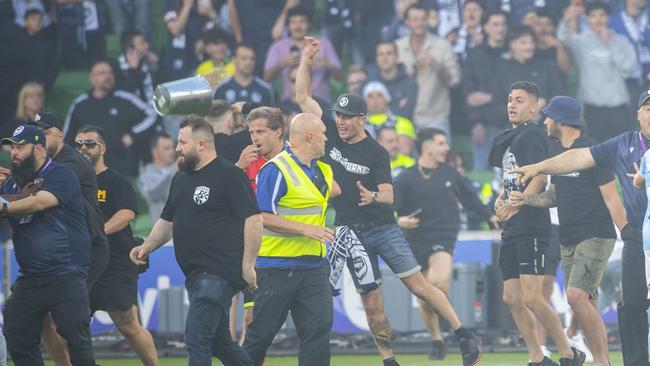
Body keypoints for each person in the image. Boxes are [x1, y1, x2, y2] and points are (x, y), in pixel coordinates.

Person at [295, 36, 481, 366]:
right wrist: (306, 59)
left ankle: (463, 334)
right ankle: (389, 360)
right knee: (372, 303)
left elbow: (390, 194)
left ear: (362, 119)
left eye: (347, 117)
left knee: (419, 286)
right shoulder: (330, 131)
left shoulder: (376, 152)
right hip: (349, 232)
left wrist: (374, 195)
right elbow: (302, 97)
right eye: (338, 115)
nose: (339, 121)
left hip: (382, 227)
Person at [514, 89, 650, 366]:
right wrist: (538, 168)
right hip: (636, 237)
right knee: (631, 305)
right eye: (648, 108)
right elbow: (576, 159)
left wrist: (623, 226)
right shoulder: (622, 145)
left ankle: (599, 358)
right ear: (638, 114)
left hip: (601, 232)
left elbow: (611, 196)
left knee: (580, 296)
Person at [130, 115, 263, 366]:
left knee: (196, 338)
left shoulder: (229, 174)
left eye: (182, 142)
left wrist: (248, 266)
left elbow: (254, 220)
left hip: (218, 273)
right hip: (195, 276)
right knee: (219, 342)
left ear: (201, 144)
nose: (178, 148)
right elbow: (167, 220)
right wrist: (147, 246)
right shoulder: (181, 178)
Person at [489, 82, 585, 366]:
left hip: (532, 225)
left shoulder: (532, 135)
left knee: (532, 298)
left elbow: (540, 177)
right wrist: (500, 199)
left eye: (519, 100)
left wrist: (516, 203)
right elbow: (509, 179)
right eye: (509, 99)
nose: (512, 104)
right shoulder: (512, 136)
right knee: (511, 298)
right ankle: (537, 357)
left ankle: (568, 353)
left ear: (534, 107)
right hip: (512, 226)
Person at [243, 113, 339, 366]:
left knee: (318, 332)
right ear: (310, 136)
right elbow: (261, 215)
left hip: (314, 267)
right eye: (323, 133)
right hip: (276, 267)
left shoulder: (324, 171)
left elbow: (331, 194)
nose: (327, 138)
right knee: (260, 336)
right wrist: (306, 230)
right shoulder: (276, 169)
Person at [394, 128, 498, 360]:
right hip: (415, 240)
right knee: (423, 296)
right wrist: (398, 221)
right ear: (427, 146)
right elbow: (392, 207)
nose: (446, 148)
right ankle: (437, 339)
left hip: (443, 236)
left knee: (437, 282)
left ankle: (458, 332)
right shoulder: (406, 177)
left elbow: (470, 198)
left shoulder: (450, 173)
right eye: (441, 143)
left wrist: (489, 216)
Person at [0, 125, 95, 365]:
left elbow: (40, 202)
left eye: (21, 147)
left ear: (39, 148)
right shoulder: (12, 184)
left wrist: (4, 207)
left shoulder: (61, 174)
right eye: (13, 147)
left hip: (66, 273)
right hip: (31, 277)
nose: (14, 153)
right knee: (16, 330)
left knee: (75, 337)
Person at [30, 111, 110, 366]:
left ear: (58, 134)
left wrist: (14, 179)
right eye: (36, 134)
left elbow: (50, 187)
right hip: (61, 252)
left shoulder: (73, 162)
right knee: (46, 319)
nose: (39, 139)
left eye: (44, 133)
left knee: (68, 318)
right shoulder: (43, 165)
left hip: (88, 249)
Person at [74, 125, 158, 366]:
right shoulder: (71, 181)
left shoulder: (116, 181)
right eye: (78, 143)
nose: (82, 148)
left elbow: (127, 214)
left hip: (115, 261)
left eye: (89, 143)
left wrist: (95, 234)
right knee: (70, 323)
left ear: (102, 148)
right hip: (82, 263)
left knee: (127, 324)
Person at [230, 106, 286, 342]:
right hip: (255, 251)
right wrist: (238, 168)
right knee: (252, 319)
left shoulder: (292, 161)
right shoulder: (248, 161)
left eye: (260, 131)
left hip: (289, 253)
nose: (254, 138)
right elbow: (222, 195)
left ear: (278, 132)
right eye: (252, 132)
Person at [559, 1, 639, 142]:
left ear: (608, 18)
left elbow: (629, 68)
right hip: (592, 108)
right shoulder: (581, 41)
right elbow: (563, 38)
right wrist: (567, 19)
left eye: (602, 15)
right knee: (594, 151)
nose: (598, 19)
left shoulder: (621, 40)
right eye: (593, 15)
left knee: (624, 150)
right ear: (588, 19)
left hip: (619, 107)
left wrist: (609, 43)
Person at [63, 60, 159, 177]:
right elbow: (67, 137)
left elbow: (152, 115)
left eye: (110, 73)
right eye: (102, 73)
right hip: (89, 172)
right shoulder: (80, 104)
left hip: (122, 170)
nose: (108, 76)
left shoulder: (124, 99)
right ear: (92, 79)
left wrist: (132, 135)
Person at [396, 3, 461, 135]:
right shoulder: (397, 47)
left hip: (436, 116)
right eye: (415, 20)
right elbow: (392, 79)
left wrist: (437, 66)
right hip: (406, 116)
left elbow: (455, 81)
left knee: (440, 155)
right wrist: (414, 68)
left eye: (423, 19)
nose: (419, 23)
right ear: (407, 22)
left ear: (428, 20)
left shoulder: (443, 45)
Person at [264, 4, 342, 102]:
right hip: (291, 105)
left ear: (309, 24)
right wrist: (283, 63)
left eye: (302, 22)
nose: (298, 26)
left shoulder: (323, 44)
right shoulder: (278, 47)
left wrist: (326, 63)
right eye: (293, 22)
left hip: (321, 104)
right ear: (288, 25)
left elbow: (340, 77)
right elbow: (266, 78)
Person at [463, 10, 509, 171]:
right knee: (481, 174)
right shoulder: (474, 54)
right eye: (495, 24)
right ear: (485, 28)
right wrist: (476, 123)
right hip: (484, 124)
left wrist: (490, 97)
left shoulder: (513, 51)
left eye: (503, 24)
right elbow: (469, 94)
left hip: (510, 124)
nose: (500, 29)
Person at [367, 41, 418, 120]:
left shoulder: (410, 83)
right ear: (376, 59)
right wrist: (396, 106)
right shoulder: (368, 82)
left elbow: (406, 112)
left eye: (389, 53)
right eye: (380, 54)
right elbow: (362, 111)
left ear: (397, 57)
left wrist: (378, 109)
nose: (384, 58)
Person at [363, 81, 416, 155]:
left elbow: (405, 151)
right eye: (370, 96)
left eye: (379, 95)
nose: (375, 99)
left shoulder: (403, 122)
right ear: (364, 101)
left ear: (387, 98)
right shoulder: (358, 125)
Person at [139, 132, 177, 223]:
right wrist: (172, 173)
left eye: (172, 147)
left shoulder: (180, 168)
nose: (172, 151)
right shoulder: (146, 175)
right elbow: (153, 195)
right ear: (155, 152)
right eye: (166, 148)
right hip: (162, 230)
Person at [112, 30, 158, 104]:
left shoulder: (148, 63)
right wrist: (133, 70)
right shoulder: (115, 68)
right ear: (130, 49)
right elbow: (125, 97)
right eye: (142, 43)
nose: (147, 45)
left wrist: (157, 65)